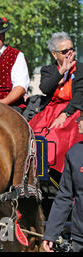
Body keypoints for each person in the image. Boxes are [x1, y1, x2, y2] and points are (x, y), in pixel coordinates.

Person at [29, 32, 83, 175]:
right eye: (64, 51)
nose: (69, 53)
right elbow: (45, 88)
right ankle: (37, 171)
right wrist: (62, 70)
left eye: (71, 49)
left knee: (56, 134)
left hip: (74, 109)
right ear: (54, 54)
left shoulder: (81, 69)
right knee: (35, 133)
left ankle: (56, 173)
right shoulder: (48, 70)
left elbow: (79, 95)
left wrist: (66, 113)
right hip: (51, 109)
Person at [42, 107, 83, 252]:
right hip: (79, 237)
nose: (77, 120)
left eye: (82, 117)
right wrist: (51, 234)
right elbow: (64, 196)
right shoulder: (74, 153)